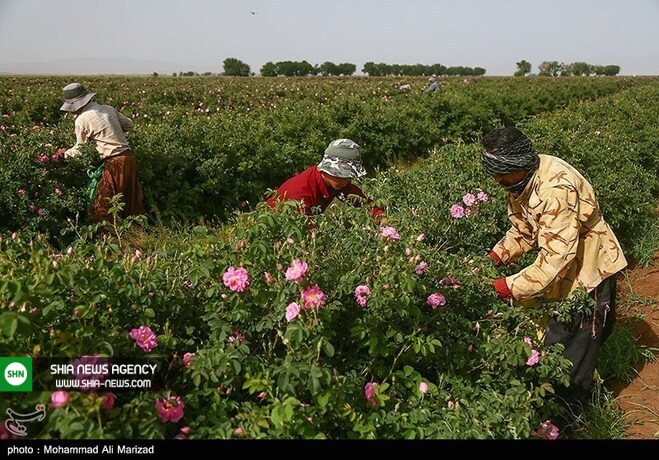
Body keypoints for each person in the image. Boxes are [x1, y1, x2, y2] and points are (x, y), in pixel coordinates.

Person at [481, 126, 627, 402]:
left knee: (573, 341)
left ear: (518, 163)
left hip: (589, 267)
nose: (497, 179)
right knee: (563, 337)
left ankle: (574, 413)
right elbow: (523, 231)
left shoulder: (555, 189)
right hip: (565, 262)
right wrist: (498, 255)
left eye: (501, 172)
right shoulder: (520, 180)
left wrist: (506, 286)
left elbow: (554, 262)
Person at [57, 83, 145, 224]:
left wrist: (63, 154)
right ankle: (136, 235)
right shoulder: (108, 109)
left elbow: (80, 149)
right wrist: (111, 131)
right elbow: (129, 125)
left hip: (114, 163)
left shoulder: (82, 120)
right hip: (128, 158)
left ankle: (109, 238)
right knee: (130, 202)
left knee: (104, 205)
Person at [266, 138, 384, 220]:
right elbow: (308, 233)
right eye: (343, 175)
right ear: (328, 170)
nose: (348, 180)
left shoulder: (337, 181)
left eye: (350, 177)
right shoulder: (300, 192)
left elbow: (365, 204)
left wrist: (382, 220)